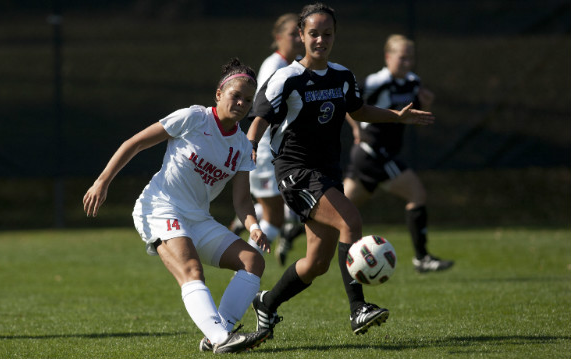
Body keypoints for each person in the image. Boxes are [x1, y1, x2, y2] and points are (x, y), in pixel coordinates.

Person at [246, 3, 435, 339]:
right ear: (301, 35)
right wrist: (247, 148)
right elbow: (260, 117)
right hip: (296, 171)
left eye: (327, 33)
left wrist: (396, 116)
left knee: (316, 263)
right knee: (351, 221)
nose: (321, 39)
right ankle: (358, 309)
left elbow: (358, 110)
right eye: (313, 33)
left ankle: (267, 303)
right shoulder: (286, 77)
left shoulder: (342, 76)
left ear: (335, 35)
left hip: (327, 171)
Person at [82, 58, 271, 354]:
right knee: (191, 269)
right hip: (160, 208)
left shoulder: (243, 146)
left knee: (253, 261)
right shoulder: (194, 118)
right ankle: (223, 340)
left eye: (248, 100)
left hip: (198, 218)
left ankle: (219, 333)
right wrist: (102, 181)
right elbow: (135, 142)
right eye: (236, 95)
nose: (242, 103)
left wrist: (255, 227)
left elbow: (242, 200)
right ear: (219, 94)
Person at [343, 34, 454, 273]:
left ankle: (294, 230)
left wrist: (427, 105)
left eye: (410, 58)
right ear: (388, 57)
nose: (407, 63)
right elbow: (346, 104)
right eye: (402, 58)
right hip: (373, 152)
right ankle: (422, 258)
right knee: (417, 194)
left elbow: (417, 119)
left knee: (341, 210)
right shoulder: (376, 82)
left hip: (379, 154)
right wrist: (356, 130)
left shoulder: (413, 82)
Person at [244, 12, 305, 266]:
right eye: (293, 34)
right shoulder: (274, 66)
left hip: (285, 152)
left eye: (300, 34)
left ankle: (243, 239)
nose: (298, 39)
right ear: (278, 38)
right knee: (274, 220)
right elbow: (262, 112)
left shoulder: (299, 64)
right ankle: (245, 264)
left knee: (278, 216)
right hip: (268, 154)